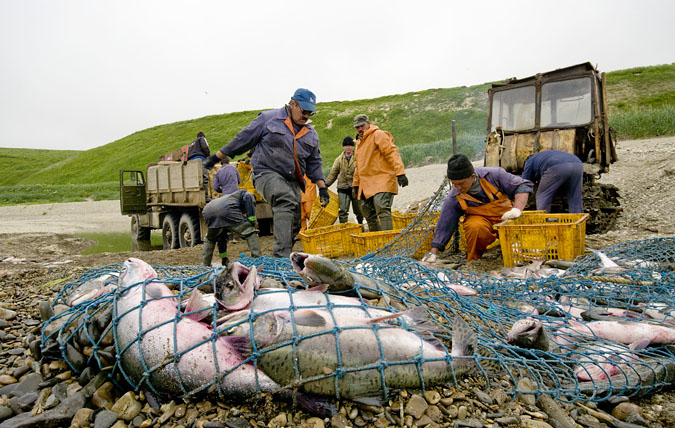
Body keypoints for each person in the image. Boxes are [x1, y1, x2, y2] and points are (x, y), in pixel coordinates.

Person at [202, 88, 329, 257]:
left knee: (295, 221)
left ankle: (286, 253)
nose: (306, 116)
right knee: (284, 198)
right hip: (266, 173)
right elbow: (243, 139)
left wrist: (323, 188)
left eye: (310, 113)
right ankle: (280, 259)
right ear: (292, 104)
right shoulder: (269, 119)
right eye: (303, 111)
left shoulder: (311, 134)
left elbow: (315, 163)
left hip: (292, 180)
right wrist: (217, 157)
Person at [423, 154, 533, 263]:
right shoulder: (454, 197)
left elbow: (522, 186)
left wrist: (516, 210)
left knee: (524, 246)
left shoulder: (495, 175)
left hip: (506, 218)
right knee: (474, 227)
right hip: (481, 224)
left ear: (472, 176)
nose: (458, 188)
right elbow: (445, 224)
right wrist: (433, 253)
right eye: (455, 184)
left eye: (462, 183)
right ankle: (474, 261)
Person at [351, 114, 408, 231]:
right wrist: (356, 184)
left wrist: (400, 173)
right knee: (366, 211)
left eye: (362, 126)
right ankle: (377, 240)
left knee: (381, 206)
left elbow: (392, 153)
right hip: (366, 183)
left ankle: (388, 240)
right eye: (357, 127)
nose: (360, 129)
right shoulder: (359, 143)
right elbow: (358, 166)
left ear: (368, 123)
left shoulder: (378, 135)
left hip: (383, 179)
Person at [201, 189, 261, 266]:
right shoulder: (247, 194)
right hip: (227, 211)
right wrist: (253, 222)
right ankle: (258, 260)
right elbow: (249, 200)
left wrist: (224, 258)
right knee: (250, 232)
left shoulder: (230, 198)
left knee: (211, 238)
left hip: (208, 210)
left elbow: (222, 238)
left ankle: (207, 264)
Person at [325, 136, 363, 224]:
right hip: (343, 188)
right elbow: (333, 173)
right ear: (343, 147)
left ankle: (360, 226)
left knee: (359, 211)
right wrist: (326, 185)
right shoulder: (338, 160)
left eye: (350, 145)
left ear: (352, 147)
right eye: (346, 146)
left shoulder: (358, 157)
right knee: (343, 211)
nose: (348, 147)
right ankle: (343, 228)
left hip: (356, 188)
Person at [187, 132, 211, 201]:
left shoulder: (191, 144)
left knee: (196, 179)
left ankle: (196, 197)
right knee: (204, 177)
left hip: (191, 162)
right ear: (203, 136)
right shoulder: (202, 139)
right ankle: (205, 197)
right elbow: (205, 147)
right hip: (200, 159)